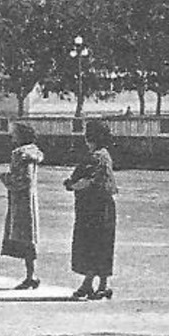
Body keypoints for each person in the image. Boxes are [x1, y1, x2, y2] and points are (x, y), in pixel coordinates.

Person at [64, 119, 118, 300]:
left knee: (91, 244)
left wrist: (71, 185)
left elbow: (87, 181)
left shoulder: (95, 156)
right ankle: (102, 285)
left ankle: (87, 284)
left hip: (93, 208)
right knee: (103, 244)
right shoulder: (105, 155)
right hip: (105, 205)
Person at [0, 122, 44, 289]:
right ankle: (31, 274)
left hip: (21, 200)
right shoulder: (32, 153)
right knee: (28, 238)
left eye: (15, 133)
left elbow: (24, 179)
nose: (12, 136)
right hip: (29, 199)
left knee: (25, 237)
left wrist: (6, 178)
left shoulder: (20, 154)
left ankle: (31, 276)